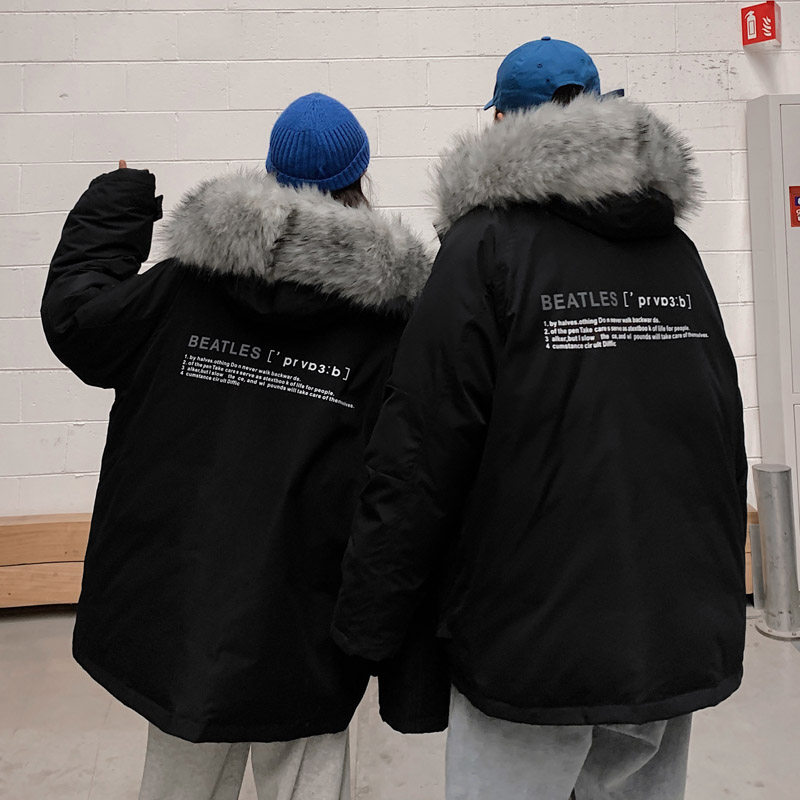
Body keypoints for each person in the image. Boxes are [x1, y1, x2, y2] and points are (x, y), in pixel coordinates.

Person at [332, 38, 748, 800]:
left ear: (499, 123)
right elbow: (721, 432)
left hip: (529, 645)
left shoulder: (483, 249)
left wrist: (367, 623)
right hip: (667, 633)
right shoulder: (674, 251)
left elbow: (418, 453)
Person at [41, 92, 432, 800]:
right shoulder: (390, 323)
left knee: (181, 776)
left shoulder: (187, 285)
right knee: (306, 777)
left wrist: (115, 207)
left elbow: (80, 323)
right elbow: (403, 477)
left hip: (187, 603)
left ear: (271, 174)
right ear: (360, 180)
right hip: (307, 608)